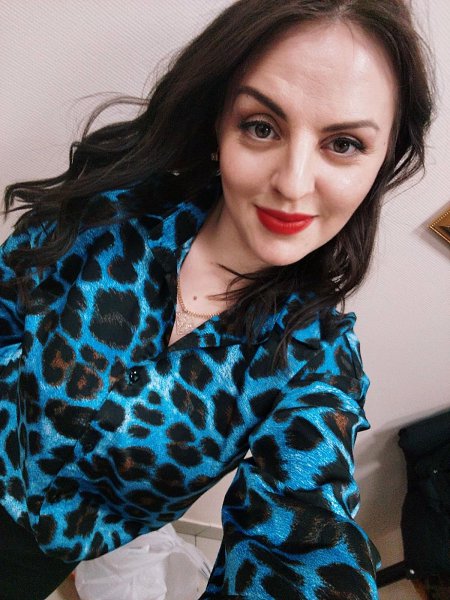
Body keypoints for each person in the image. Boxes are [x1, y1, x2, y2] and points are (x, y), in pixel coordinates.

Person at [0, 0, 434, 598]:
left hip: (38, 559)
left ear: (384, 159)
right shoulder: (111, 209)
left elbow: (301, 540)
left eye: (343, 143)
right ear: (219, 124)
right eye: (262, 127)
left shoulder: (312, 365)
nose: (292, 183)